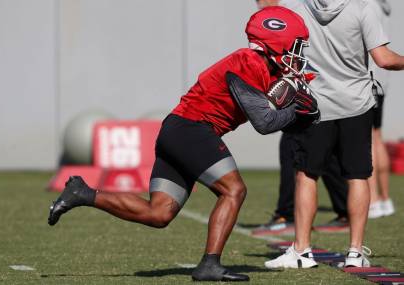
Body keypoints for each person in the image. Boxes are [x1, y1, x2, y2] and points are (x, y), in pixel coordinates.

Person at [48, 7, 318, 282]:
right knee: (234, 190)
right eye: (296, 47)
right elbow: (264, 122)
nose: (299, 56)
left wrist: (307, 116)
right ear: (276, 42)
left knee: (159, 213)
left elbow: (280, 117)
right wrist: (298, 110)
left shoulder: (265, 68)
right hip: (191, 130)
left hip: (178, 131)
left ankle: (82, 193)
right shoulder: (247, 62)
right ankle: (210, 264)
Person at [265, 0, 404, 269]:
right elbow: (384, 60)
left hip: (315, 104)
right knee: (357, 175)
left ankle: (302, 251)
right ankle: (354, 251)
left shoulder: (298, 8)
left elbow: (278, 47)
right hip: (356, 104)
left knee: (306, 175)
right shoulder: (363, 8)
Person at [253, 0, 349, 237]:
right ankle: (346, 209)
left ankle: (286, 215)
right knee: (320, 154)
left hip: (313, 90)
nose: (259, 5)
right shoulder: (304, 10)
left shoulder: (294, 12)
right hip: (323, 89)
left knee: (295, 150)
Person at [367, 0, 395, 219]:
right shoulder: (381, 4)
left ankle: (374, 200)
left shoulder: (367, 5)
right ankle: (384, 199)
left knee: (366, 140)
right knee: (377, 136)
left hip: (369, 78)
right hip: (381, 81)